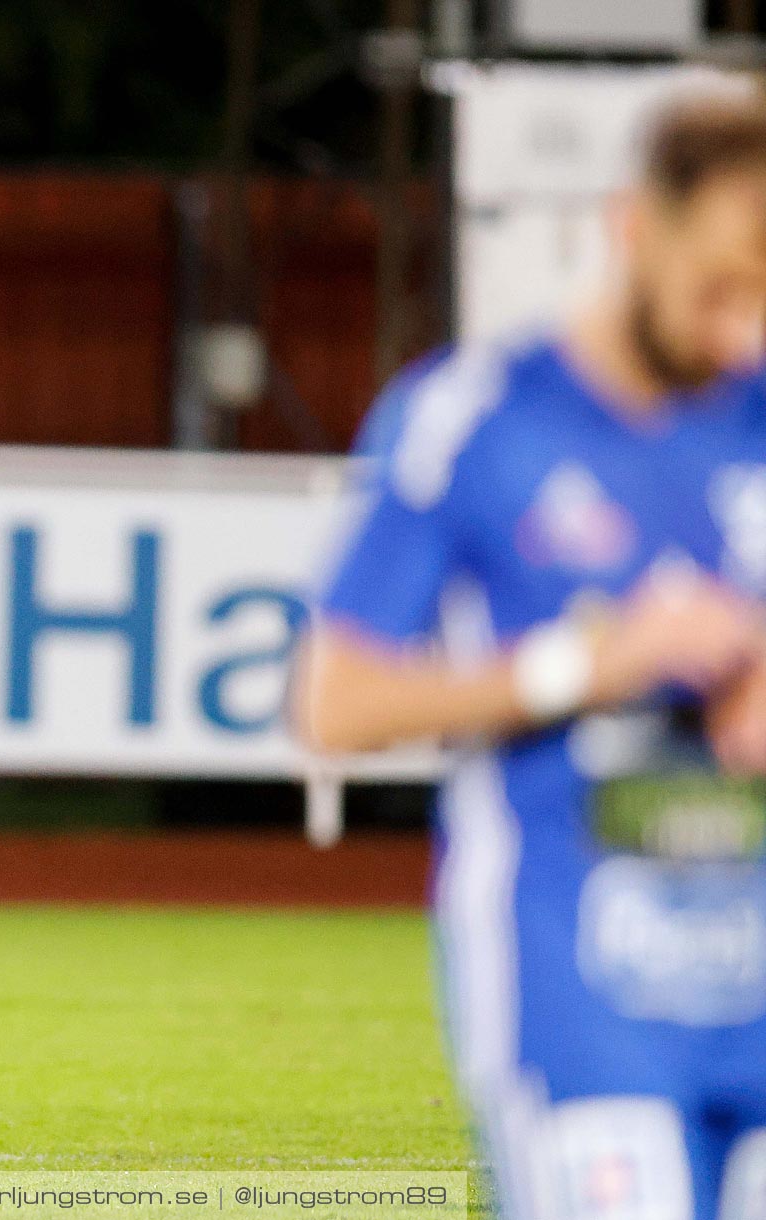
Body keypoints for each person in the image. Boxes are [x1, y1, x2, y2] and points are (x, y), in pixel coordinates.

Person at [295, 92, 766, 1220]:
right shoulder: (476, 416)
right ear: (632, 227)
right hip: (581, 997)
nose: (741, 327)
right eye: (720, 284)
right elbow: (333, 701)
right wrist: (585, 665)